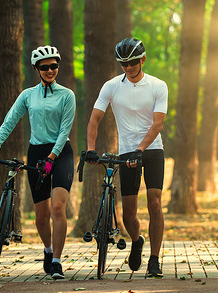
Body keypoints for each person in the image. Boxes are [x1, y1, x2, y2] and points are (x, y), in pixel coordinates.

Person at [0, 45, 75, 280]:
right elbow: (10, 120)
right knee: (41, 216)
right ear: (36, 69)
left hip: (61, 152)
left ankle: (56, 262)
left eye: (54, 66)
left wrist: (52, 158)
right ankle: (47, 250)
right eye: (45, 67)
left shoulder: (67, 95)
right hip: (36, 153)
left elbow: (65, 131)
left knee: (57, 208)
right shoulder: (27, 95)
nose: (51, 70)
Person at [85, 37, 168, 277]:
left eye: (132, 62)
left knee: (155, 202)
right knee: (128, 213)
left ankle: (154, 260)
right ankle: (136, 239)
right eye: (123, 63)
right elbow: (94, 119)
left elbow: (158, 123)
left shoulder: (158, 85)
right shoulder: (111, 86)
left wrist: (140, 149)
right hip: (126, 153)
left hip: (152, 150)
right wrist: (91, 148)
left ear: (142, 59)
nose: (128, 67)